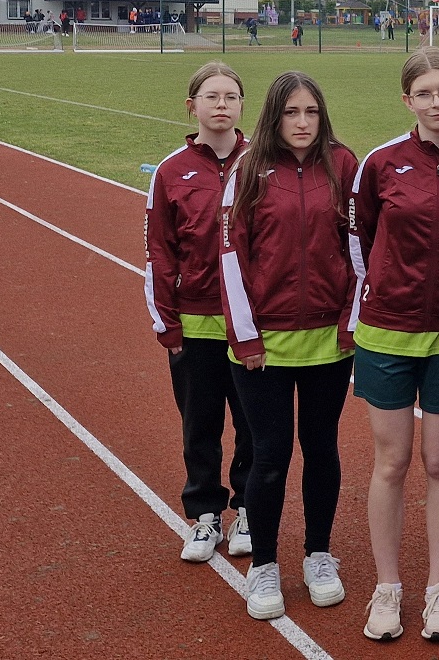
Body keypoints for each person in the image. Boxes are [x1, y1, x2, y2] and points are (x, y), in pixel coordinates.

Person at [348, 48, 439, 643]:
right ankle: (387, 587)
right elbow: (361, 241)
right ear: (408, 101)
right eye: (423, 93)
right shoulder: (380, 164)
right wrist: (378, 294)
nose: (436, 102)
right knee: (392, 462)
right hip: (387, 332)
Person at [219, 71, 359, 620]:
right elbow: (231, 255)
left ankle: (319, 554)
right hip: (264, 345)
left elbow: (360, 250)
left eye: (311, 112)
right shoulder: (247, 169)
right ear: (274, 116)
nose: (302, 123)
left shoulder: (343, 165)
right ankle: (265, 565)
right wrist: (246, 335)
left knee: (322, 449)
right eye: (291, 113)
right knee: (271, 455)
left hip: (329, 340)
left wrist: (350, 322)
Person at [147, 62, 255, 568]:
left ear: (242, 105)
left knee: (254, 423)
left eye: (230, 96)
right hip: (195, 324)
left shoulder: (263, 163)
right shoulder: (171, 171)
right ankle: (205, 514)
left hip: (253, 326)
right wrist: (166, 323)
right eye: (211, 96)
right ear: (192, 106)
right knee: (200, 424)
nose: (221, 105)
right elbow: (159, 251)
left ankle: (249, 509)